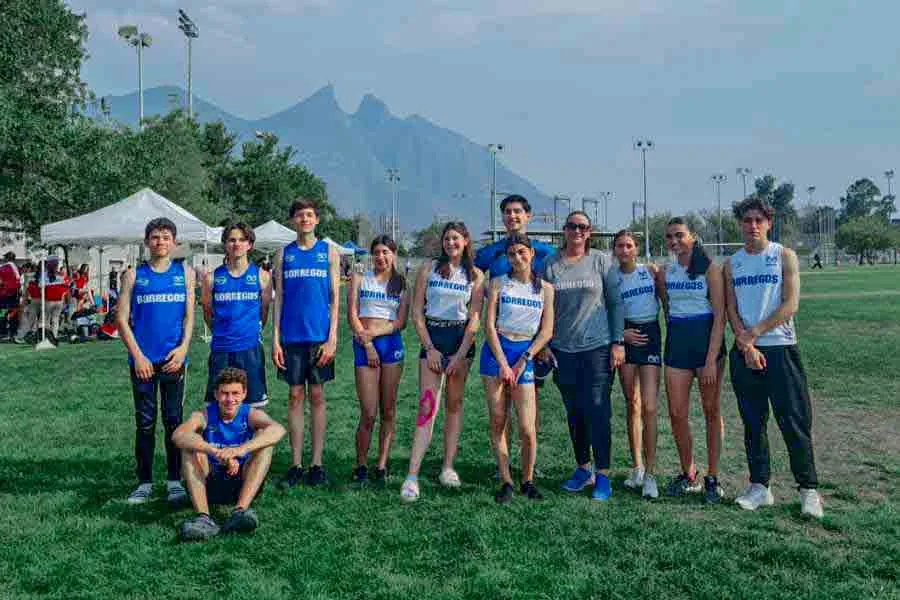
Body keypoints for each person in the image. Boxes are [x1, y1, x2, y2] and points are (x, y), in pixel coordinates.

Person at [724, 197, 824, 518]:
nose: (752, 226)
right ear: (740, 224)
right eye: (746, 220)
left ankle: (808, 490)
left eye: (758, 220)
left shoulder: (784, 256)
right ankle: (759, 486)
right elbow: (731, 309)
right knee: (753, 423)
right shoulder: (732, 264)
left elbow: (790, 304)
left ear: (768, 222)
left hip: (780, 348)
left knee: (793, 421)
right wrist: (746, 344)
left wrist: (755, 335)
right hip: (744, 352)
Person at [400, 222, 484, 502]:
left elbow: (474, 319)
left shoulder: (476, 275)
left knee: (454, 406)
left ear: (466, 240)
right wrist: (430, 348)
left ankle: (447, 467)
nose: (451, 243)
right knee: (427, 407)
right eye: (447, 239)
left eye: (456, 238)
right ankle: (412, 475)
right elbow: (416, 313)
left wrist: (460, 355)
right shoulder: (428, 269)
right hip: (433, 343)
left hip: (460, 345)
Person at [544, 213, 624, 501]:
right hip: (563, 351)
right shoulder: (550, 265)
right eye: (571, 226)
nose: (577, 231)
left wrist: (617, 342)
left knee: (598, 410)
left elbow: (616, 303)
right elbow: (543, 306)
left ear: (589, 232)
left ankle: (603, 475)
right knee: (574, 412)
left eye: (583, 227)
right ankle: (583, 469)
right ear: (564, 231)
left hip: (598, 348)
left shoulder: (601, 261)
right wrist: (544, 344)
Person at [474, 194, 557, 472]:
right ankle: (504, 465)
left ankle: (530, 463)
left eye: (518, 211)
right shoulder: (491, 252)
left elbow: (553, 293)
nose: (512, 216)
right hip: (500, 337)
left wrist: (545, 341)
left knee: (530, 407)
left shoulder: (545, 251)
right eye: (507, 212)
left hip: (532, 343)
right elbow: (471, 274)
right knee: (501, 408)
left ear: (528, 215)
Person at [117, 218, 195, 505]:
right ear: (146, 241)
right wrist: (138, 355)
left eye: (165, 237)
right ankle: (145, 482)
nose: (160, 242)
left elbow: (189, 316)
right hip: (143, 362)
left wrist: (183, 349)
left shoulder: (184, 273)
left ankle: (175, 480)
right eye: (155, 237)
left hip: (173, 361)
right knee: (146, 423)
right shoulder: (134, 275)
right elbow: (122, 320)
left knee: (174, 421)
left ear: (174, 242)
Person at [481, 233, 555, 503]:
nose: (517, 258)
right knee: (499, 420)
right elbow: (489, 326)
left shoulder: (546, 289)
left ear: (532, 254)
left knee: (527, 427)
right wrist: (503, 363)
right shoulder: (499, 283)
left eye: (522, 253)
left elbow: (546, 331)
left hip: (524, 355)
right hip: (496, 354)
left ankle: (528, 480)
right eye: (512, 254)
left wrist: (524, 359)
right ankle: (506, 480)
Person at [272, 198, 340, 488]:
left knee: (317, 397)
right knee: (295, 397)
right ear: (292, 221)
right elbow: (279, 301)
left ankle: (317, 464)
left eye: (310, 215)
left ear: (317, 220)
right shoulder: (283, 255)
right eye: (300, 215)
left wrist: (333, 337)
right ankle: (296, 464)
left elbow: (335, 299)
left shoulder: (329, 252)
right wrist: (275, 340)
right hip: (291, 337)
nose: (305, 220)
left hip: (319, 338)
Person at [174, 367, 287, 541]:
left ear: (244, 394)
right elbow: (178, 435)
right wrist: (215, 451)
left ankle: (239, 512)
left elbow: (278, 430)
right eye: (225, 393)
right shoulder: (203, 415)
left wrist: (240, 450)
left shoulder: (250, 414)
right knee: (190, 445)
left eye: (235, 393)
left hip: (243, 481)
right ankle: (204, 518)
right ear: (216, 394)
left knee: (265, 442)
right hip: (209, 481)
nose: (230, 399)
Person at [660, 217, 726, 504]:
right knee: (677, 413)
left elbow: (721, 316)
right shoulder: (665, 271)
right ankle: (688, 473)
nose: (674, 241)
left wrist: (711, 359)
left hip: (707, 346)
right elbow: (666, 308)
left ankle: (712, 477)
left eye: (679, 235)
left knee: (711, 411)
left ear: (693, 236)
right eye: (669, 237)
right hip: (677, 345)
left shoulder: (710, 268)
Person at [347, 235, 409, 486]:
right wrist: (368, 342)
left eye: (386, 252)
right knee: (369, 412)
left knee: (389, 410)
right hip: (365, 346)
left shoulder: (402, 284)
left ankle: (381, 465)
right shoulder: (361, 279)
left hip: (391, 346)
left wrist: (375, 334)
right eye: (377, 252)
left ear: (393, 254)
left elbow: (401, 323)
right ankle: (361, 465)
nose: (381, 257)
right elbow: (352, 315)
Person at [613, 230, 663, 499]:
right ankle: (637, 467)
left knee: (650, 406)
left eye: (629, 245)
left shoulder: (651, 271)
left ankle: (652, 475)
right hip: (626, 338)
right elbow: (606, 312)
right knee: (632, 402)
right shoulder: (612, 278)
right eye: (619, 246)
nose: (624, 250)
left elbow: (666, 304)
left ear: (637, 249)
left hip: (650, 335)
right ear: (614, 250)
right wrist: (622, 333)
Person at [201, 222, 272, 409]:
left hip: (250, 349)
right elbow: (207, 312)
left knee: (254, 408)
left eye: (242, 240)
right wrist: (221, 332)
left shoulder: (262, 276)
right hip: (221, 349)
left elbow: (264, 313)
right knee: (219, 406)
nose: (237, 244)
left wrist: (250, 332)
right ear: (225, 244)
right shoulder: (212, 278)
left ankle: (253, 439)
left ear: (250, 244)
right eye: (232, 240)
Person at [15, 256, 69, 344]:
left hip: (37, 300)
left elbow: (28, 290)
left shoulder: (31, 276)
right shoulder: (53, 275)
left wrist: (24, 302)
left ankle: (22, 337)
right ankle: (51, 337)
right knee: (51, 320)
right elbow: (62, 289)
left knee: (34, 320)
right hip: (47, 300)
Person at [0, 252, 21, 340]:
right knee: (13, 313)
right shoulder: (16, 268)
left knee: (2, 313)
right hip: (14, 294)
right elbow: (18, 281)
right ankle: (13, 332)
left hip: (3, 294)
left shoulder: (2, 268)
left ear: (8, 258)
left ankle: (3, 332)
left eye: (5, 257)